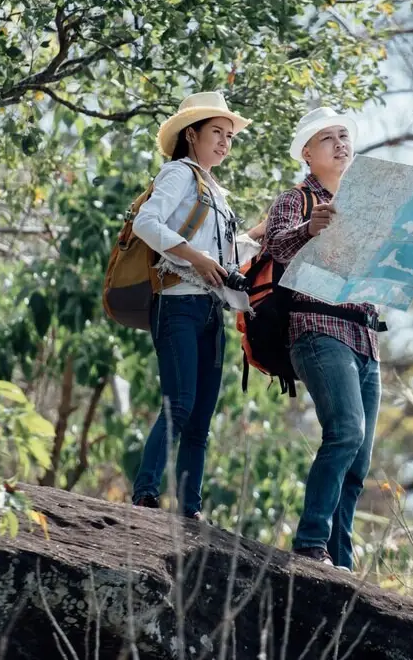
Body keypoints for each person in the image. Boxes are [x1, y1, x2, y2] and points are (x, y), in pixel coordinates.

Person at [263, 107, 413, 570]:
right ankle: (311, 542)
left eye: (343, 136)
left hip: (365, 337)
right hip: (317, 328)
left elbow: (396, 274)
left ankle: (340, 558)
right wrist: (309, 228)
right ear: (307, 155)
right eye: (327, 138)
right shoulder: (298, 201)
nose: (340, 144)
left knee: (359, 459)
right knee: (346, 431)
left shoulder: (374, 204)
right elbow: (276, 245)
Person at [130, 91, 251, 519]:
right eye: (216, 132)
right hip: (178, 301)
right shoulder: (180, 172)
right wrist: (197, 258)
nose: (224, 142)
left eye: (230, 136)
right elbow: (145, 222)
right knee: (179, 404)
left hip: (210, 309)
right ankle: (145, 494)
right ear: (191, 134)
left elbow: (227, 254)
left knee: (201, 418)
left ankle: (190, 510)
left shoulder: (217, 192)